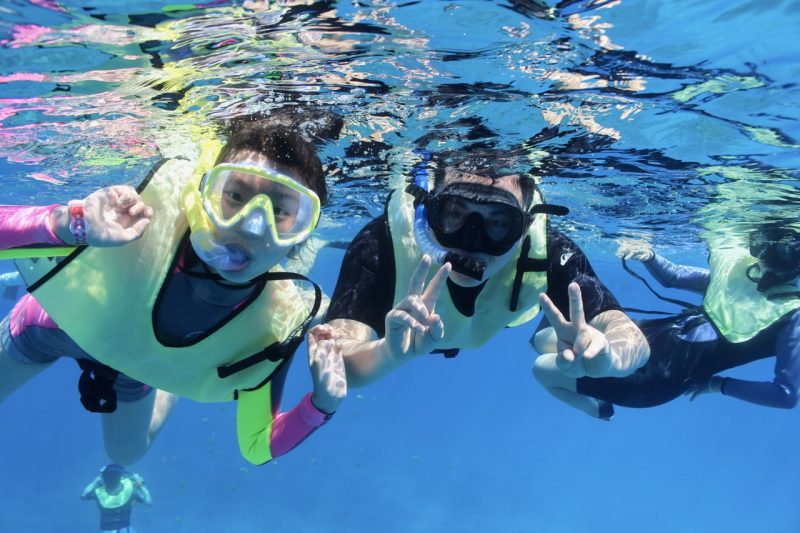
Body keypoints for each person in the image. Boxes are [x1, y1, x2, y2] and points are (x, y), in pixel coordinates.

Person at [0, 119, 346, 465]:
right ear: (206, 196)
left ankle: (180, 369)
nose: (251, 225)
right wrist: (68, 224)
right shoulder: (141, 220)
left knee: (124, 454)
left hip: (140, 365)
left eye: (280, 211)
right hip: (47, 327)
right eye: (235, 196)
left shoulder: (276, 322)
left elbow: (257, 446)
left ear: (302, 233)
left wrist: (321, 404)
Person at [325, 150, 650, 398]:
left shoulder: (549, 252)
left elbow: (632, 339)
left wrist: (608, 358)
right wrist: (388, 353)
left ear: (524, 228)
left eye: (497, 223)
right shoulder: (382, 244)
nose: (471, 243)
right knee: (322, 322)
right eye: (454, 214)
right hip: (396, 327)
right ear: (429, 212)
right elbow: (336, 368)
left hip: (494, 316)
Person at [531, 231, 800, 419]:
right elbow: (673, 278)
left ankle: (596, 409)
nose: (763, 271)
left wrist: (717, 384)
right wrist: (649, 255)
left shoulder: (793, 316)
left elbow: (785, 395)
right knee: (542, 340)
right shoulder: (744, 280)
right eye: (764, 259)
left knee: (542, 369)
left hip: (654, 379)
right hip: (643, 338)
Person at [81, 463, 152, 533]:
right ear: (120, 477)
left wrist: (95, 481)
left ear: (103, 478)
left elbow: (83, 496)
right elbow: (149, 502)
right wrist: (141, 483)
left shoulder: (97, 493)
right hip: (126, 530)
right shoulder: (130, 490)